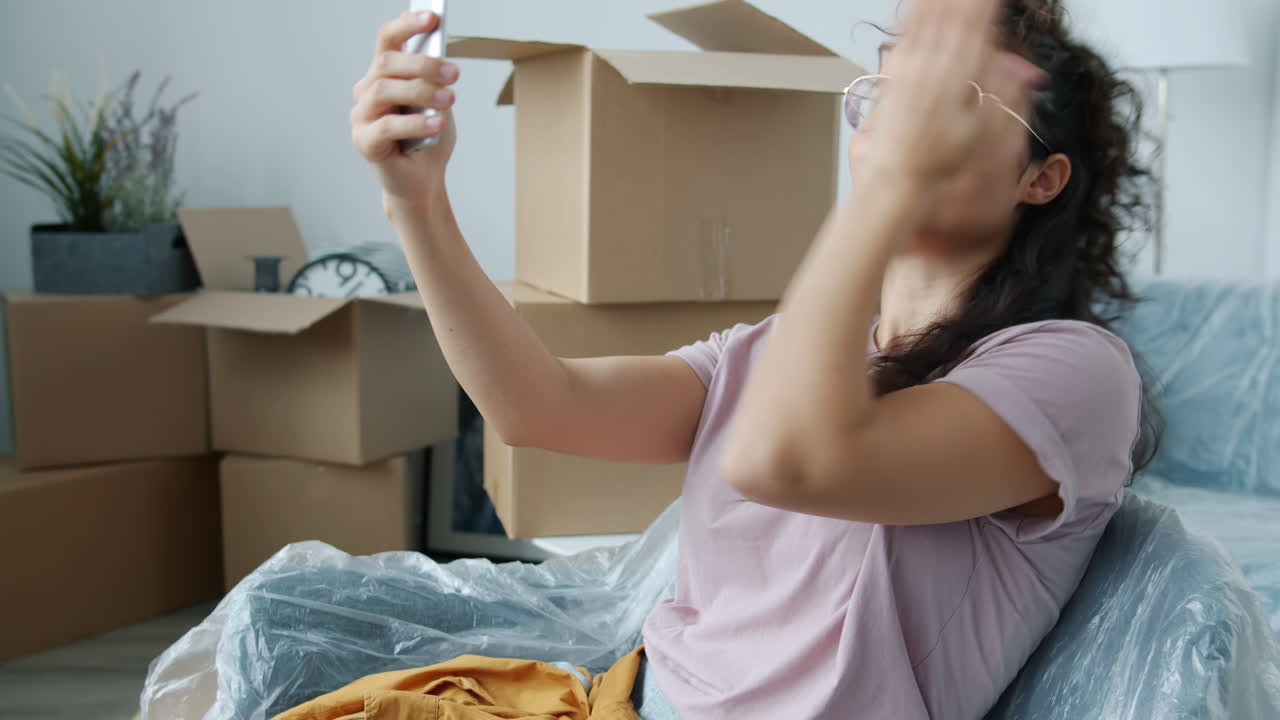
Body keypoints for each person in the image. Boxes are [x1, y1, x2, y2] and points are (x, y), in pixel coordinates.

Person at [347, 0, 1156, 717]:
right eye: (893, 91)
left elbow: (793, 462)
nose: (902, 118)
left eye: (951, 100)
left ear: (1042, 178)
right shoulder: (778, 351)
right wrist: (416, 204)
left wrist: (888, 185)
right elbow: (536, 407)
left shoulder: (1074, 374)